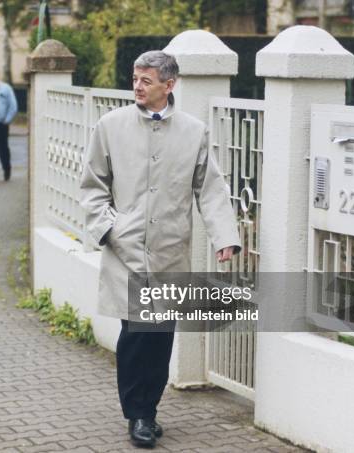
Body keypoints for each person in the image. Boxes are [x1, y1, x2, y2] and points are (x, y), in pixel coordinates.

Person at [79, 50, 241, 448]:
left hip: (170, 251)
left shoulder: (194, 131)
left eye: (146, 80)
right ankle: (139, 414)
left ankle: (148, 409)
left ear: (170, 85)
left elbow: (210, 188)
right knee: (136, 334)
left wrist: (225, 237)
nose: (137, 85)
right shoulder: (110, 125)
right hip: (126, 250)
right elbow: (92, 186)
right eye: (134, 78)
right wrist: (110, 228)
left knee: (160, 335)